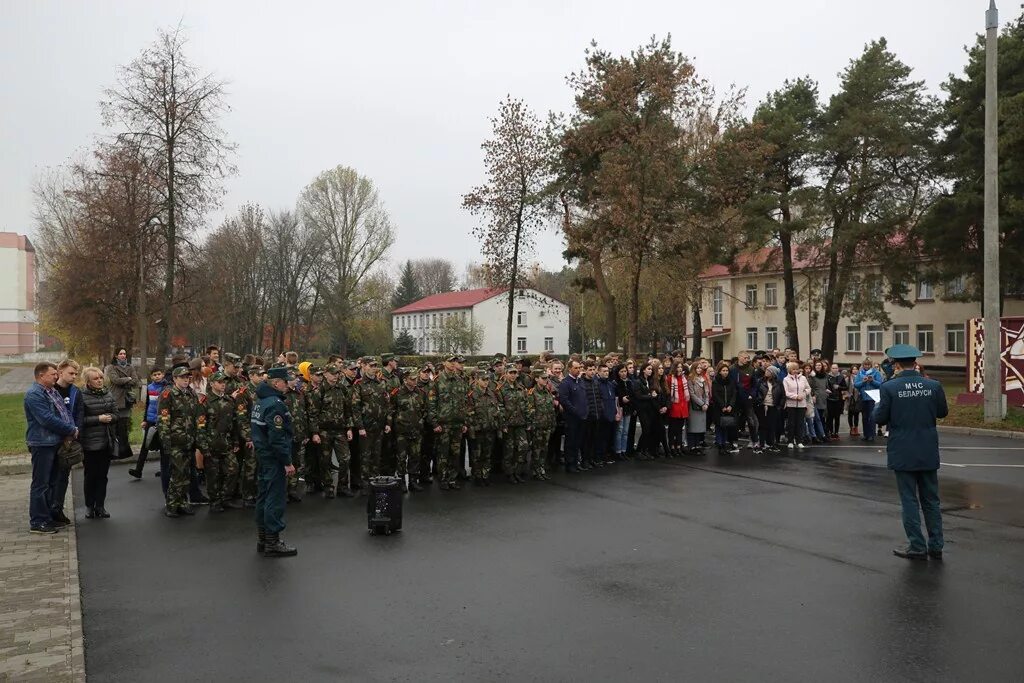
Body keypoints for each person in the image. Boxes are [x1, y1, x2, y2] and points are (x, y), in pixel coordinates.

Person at [873, 344, 949, 560]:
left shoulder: (889, 387)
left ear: (896, 364)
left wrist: (879, 407)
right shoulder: (933, 385)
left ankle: (917, 545)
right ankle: (936, 544)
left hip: (902, 449)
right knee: (932, 500)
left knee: (909, 499)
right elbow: (942, 412)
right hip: (927, 448)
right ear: (915, 362)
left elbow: (879, 418)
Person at [25, 362, 79, 533]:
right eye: (53, 374)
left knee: (52, 482)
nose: (56, 376)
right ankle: (38, 521)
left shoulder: (52, 391)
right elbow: (46, 419)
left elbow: (63, 412)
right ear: (41, 376)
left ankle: (48, 517)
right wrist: (70, 429)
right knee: (40, 484)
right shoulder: (34, 394)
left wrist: (71, 430)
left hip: (54, 442)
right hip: (42, 444)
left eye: (56, 373)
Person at [251, 366, 298, 558]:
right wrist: (287, 461)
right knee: (275, 498)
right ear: (277, 383)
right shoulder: (276, 404)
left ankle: (263, 538)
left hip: (263, 454)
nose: (288, 385)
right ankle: (272, 541)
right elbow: (276, 437)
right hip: (273, 457)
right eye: (286, 381)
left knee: (264, 495)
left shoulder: (260, 401)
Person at [198, 371, 245, 512]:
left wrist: (236, 441)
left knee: (233, 470)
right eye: (219, 382)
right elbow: (200, 427)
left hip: (226, 443)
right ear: (212, 384)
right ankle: (215, 501)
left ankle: (226, 498)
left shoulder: (229, 401)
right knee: (213, 475)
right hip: (211, 444)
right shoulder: (204, 403)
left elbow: (234, 423)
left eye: (224, 382)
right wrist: (204, 447)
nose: (223, 384)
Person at [158, 366, 201, 518]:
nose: (185, 379)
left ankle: (183, 503)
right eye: (182, 377)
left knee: (186, 473)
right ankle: (172, 505)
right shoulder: (168, 394)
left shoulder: (190, 393)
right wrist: (166, 441)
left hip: (189, 440)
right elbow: (163, 420)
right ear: (175, 379)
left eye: (187, 377)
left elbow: (196, 416)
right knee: (177, 473)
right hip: (175, 440)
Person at [76, 367, 119, 518]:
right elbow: (79, 420)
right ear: (88, 381)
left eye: (101, 377)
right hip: (89, 443)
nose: (100, 380)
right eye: (96, 378)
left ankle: (100, 506)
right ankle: (89, 506)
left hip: (106, 441)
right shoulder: (81, 396)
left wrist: (111, 418)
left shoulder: (107, 393)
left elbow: (116, 414)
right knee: (90, 476)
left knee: (103, 476)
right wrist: (98, 419)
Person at [427, 355, 470, 490]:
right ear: (444, 363)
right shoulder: (437, 381)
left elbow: (464, 403)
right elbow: (432, 404)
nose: (453, 364)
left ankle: (452, 478)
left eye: (454, 362)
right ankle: (443, 479)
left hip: (457, 423)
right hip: (443, 423)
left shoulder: (460, 380)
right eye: (450, 361)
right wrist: (434, 423)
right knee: (443, 453)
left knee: (455, 453)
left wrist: (465, 422)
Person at [51, 360, 82, 525]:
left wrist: (74, 434)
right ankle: (48, 509)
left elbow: (79, 414)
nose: (74, 376)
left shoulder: (76, 391)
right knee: (51, 477)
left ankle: (58, 509)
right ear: (60, 371)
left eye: (76, 374)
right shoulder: (50, 390)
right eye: (71, 373)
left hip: (69, 440)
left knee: (63, 476)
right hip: (53, 439)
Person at [391, 367, 427, 492]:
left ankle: (413, 481)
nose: (415, 381)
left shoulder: (420, 392)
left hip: (416, 430)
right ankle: (401, 481)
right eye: (412, 379)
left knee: (415, 457)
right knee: (401, 457)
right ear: (405, 380)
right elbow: (391, 410)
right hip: (402, 431)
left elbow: (425, 409)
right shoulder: (397, 393)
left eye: (416, 378)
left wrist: (421, 421)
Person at [104, 348, 139, 461]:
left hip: (127, 400)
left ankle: (125, 452)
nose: (123, 355)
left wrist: (126, 379)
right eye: (121, 354)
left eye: (124, 353)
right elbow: (115, 380)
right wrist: (128, 378)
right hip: (115, 400)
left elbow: (135, 381)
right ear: (116, 355)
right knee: (114, 427)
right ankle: (114, 452)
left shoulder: (130, 367)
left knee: (123, 427)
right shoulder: (111, 367)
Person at [130, 367, 165, 479]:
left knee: (163, 447)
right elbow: (148, 405)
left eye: (159, 374)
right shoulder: (150, 388)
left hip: (162, 421)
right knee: (145, 445)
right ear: (151, 377)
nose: (157, 376)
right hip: (150, 420)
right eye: (154, 375)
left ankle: (164, 470)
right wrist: (145, 420)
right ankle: (138, 470)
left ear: (163, 374)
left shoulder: (166, 387)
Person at [498, 366, 531, 483]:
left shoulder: (521, 388)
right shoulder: (501, 389)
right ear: (506, 373)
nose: (513, 375)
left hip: (521, 423)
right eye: (510, 373)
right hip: (509, 424)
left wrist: (528, 421)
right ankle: (509, 473)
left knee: (523, 447)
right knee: (509, 451)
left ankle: (518, 472)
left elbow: (526, 406)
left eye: (515, 373)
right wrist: (503, 424)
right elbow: (500, 408)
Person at [558, 360, 587, 473]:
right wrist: (575, 411)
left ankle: (576, 461)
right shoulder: (566, 383)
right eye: (575, 368)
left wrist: (585, 410)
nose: (578, 370)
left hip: (582, 416)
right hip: (572, 417)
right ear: (569, 368)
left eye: (579, 367)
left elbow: (584, 398)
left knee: (578, 441)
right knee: (571, 441)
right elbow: (564, 400)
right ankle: (570, 463)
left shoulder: (580, 381)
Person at [529, 369, 556, 480]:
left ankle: (541, 468)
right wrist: (533, 425)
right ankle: (535, 470)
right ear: (536, 379)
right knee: (536, 449)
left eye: (546, 378)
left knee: (544, 449)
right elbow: (530, 411)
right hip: (537, 426)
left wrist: (553, 423)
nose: (546, 380)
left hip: (547, 424)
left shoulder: (547, 392)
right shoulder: (532, 393)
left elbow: (551, 409)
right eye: (543, 378)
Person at [711, 361, 740, 453]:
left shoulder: (731, 381)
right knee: (719, 426)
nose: (725, 372)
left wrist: (731, 405)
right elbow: (715, 395)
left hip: (729, 408)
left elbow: (734, 394)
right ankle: (720, 444)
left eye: (727, 370)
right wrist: (722, 406)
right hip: (719, 408)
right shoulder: (716, 381)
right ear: (719, 371)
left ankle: (724, 443)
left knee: (727, 425)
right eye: (723, 370)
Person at [853, 358, 884, 443]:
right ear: (863, 365)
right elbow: (856, 384)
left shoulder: (876, 372)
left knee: (872, 417)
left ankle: (871, 435)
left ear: (871, 365)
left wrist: (872, 381)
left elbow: (881, 384)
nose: (867, 366)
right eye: (865, 365)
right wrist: (863, 381)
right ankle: (866, 435)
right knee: (864, 417)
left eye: (868, 365)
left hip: (872, 398)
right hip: (863, 398)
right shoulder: (860, 373)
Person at [783, 362, 811, 450]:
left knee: (800, 423)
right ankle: (790, 441)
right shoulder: (786, 379)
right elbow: (786, 392)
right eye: (793, 369)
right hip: (791, 404)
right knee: (791, 423)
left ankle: (799, 441)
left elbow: (808, 388)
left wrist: (804, 394)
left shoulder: (803, 378)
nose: (795, 371)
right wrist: (795, 397)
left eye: (796, 369)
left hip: (802, 404)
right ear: (789, 370)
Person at [686, 363, 710, 454]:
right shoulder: (690, 379)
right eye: (697, 368)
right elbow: (692, 394)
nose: (699, 369)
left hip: (703, 406)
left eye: (700, 368)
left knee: (699, 428)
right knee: (693, 427)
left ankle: (697, 445)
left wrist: (706, 404)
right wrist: (702, 404)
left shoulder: (703, 379)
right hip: (694, 406)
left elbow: (706, 393)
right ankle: (692, 446)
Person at [825, 363, 847, 440]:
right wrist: (826, 390)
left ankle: (836, 432)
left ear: (838, 369)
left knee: (837, 417)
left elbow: (845, 387)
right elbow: (824, 386)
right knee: (830, 417)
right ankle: (830, 432)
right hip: (830, 399)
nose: (835, 369)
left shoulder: (841, 377)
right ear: (831, 369)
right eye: (833, 368)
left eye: (836, 368)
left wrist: (839, 387)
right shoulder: (827, 376)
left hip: (838, 399)